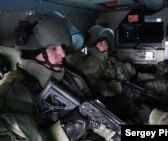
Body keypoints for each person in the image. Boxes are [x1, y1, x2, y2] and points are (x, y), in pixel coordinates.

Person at [0, 13, 103, 141]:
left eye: (63, 47)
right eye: (54, 48)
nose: (63, 54)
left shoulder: (68, 76)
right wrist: (64, 131)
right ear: (34, 50)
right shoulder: (14, 94)